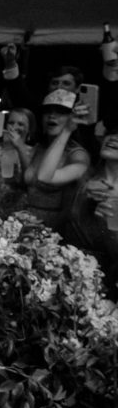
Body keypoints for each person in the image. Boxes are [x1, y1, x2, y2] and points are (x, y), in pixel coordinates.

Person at [24, 89, 91, 231]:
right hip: (25, 224)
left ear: (73, 117)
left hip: (53, 234)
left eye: (61, 112)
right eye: (47, 111)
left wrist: (67, 130)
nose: (52, 116)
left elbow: (43, 177)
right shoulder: (39, 148)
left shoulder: (77, 155)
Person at [66, 126, 118, 298]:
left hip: (106, 288)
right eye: (112, 132)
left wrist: (112, 226)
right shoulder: (86, 180)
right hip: (70, 277)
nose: (113, 138)